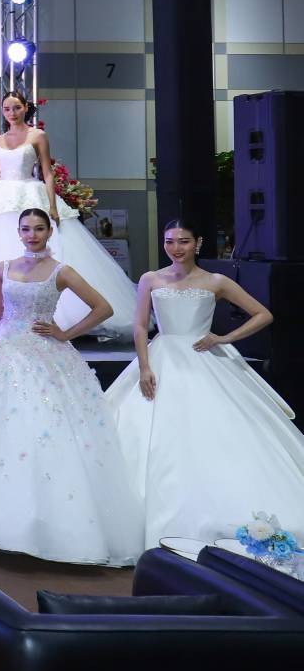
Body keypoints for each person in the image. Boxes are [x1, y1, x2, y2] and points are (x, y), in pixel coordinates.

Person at [0, 209, 141, 566]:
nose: (32, 234)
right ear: (18, 231)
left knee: (42, 427)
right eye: (26, 229)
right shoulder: (3, 267)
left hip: (44, 353)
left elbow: (103, 308)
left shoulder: (61, 271)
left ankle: (42, 526)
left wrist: (65, 333)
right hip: (1, 349)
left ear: (49, 231)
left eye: (39, 228)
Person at [105, 219, 302, 549]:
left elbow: (263, 314)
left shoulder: (216, 281)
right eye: (169, 241)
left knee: (216, 432)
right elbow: (140, 326)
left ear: (197, 243)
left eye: (183, 241)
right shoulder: (151, 279)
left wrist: (225, 337)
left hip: (204, 357)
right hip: (162, 357)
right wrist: (145, 366)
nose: (176, 248)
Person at [0, 90, 137, 338]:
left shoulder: (37, 135)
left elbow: (47, 173)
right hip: (2, 197)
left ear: (25, 108)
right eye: (7, 109)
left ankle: (53, 311)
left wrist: (52, 206)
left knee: (43, 245)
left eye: (16, 107)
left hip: (29, 192)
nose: (12, 113)